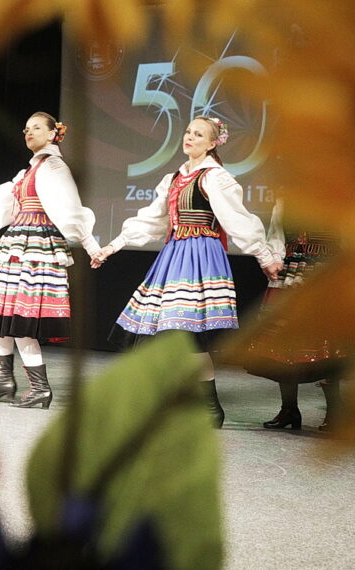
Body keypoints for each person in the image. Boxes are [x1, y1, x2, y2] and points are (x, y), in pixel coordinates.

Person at [91, 116, 283, 428]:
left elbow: (237, 220)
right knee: (162, 334)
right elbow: (151, 221)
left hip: (199, 258)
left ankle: (208, 407)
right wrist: (112, 246)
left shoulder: (214, 178)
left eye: (199, 134)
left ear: (212, 143)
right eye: (188, 132)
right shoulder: (174, 179)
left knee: (187, 337)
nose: (190, 137)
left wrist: (263, 254)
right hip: (174, 255)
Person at [0, 112, 101, 409]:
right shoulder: (28, 171)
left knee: (22, 318)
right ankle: (4, 380)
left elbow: (69, 210)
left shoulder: (53, 166)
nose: (28, 132)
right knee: (2, 314)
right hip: (17, 243)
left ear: (54, 134)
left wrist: (91, 246)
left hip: (37, 247)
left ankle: (40, 387)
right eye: (26, 129)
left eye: (36, 128)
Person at [244, 197, 344, 430]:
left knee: (327, 342)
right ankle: (289, 409)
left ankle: (335, 410)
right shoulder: (286, 196)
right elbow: (276, 234)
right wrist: (276, 260)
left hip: (324, 270)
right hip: (291, 271)